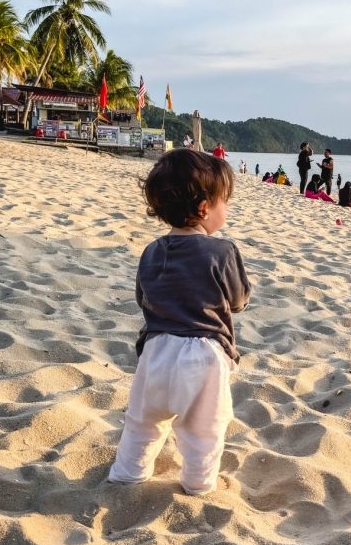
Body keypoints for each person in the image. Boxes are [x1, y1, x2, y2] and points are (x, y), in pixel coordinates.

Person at [108, 149, 251, 495]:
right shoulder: (222, 251)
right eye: (224, 202)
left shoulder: (151, 251)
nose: (226, 209)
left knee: (142, 423)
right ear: (204, 208)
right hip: (203, 356)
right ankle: (199, 483)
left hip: (155, 351)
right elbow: (238, 300)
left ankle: (128, 473)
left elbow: (142, 298)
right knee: (204, 430)